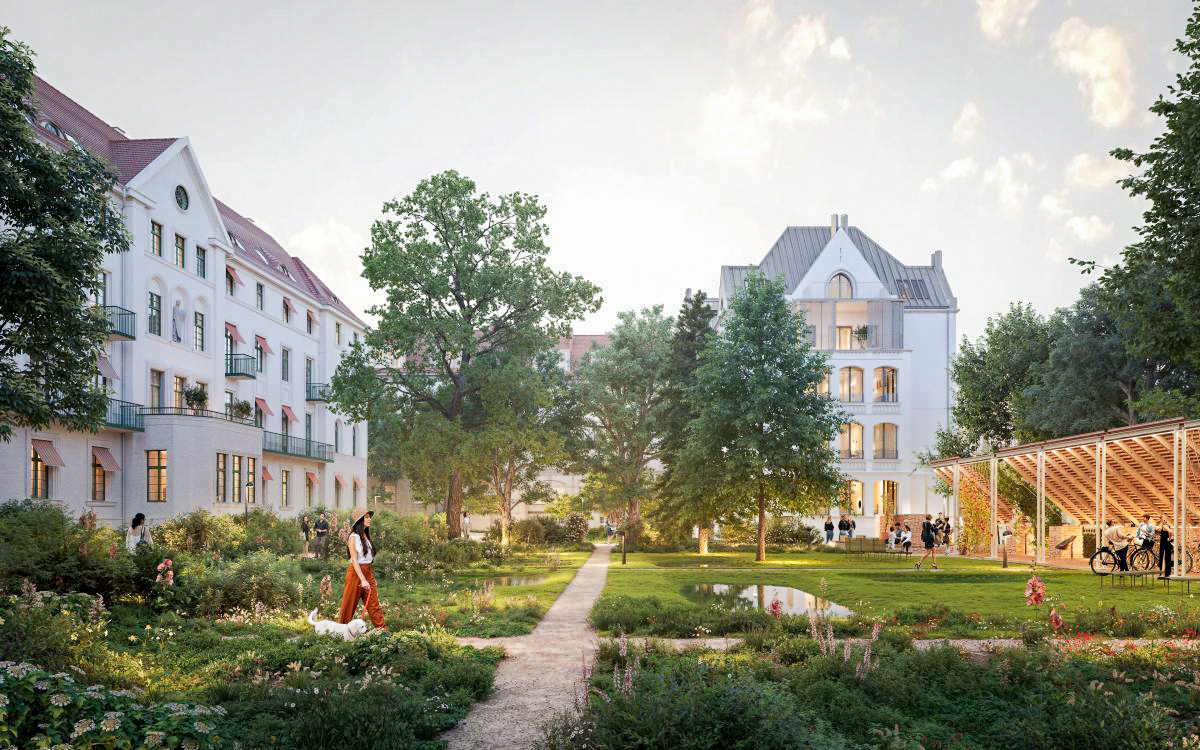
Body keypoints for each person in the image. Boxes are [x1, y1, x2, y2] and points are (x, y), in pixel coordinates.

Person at [337, 507, 386, 630]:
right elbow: (354, 560)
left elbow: (368, 559)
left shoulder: (365, 536)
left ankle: (383, 632)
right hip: (355, 573)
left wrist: (370, 577)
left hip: (368, 571)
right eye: (366, 517)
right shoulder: (353, 537)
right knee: (349, 605)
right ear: (360, 520)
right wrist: (363, 579)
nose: (369, 519)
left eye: (370, 517)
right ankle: (340, 633)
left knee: (374, 604)